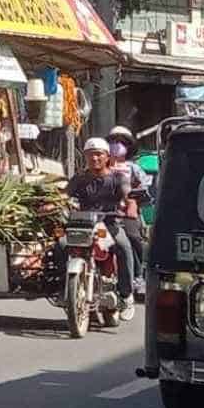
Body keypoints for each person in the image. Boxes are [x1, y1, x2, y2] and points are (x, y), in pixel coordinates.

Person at [65, 138, 136, 315]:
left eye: (98, 154)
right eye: (90, 154)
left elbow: (129, 196)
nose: (94, 158)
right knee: (60, 246)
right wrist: (50, 203)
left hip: (105, 228)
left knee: (123, 248)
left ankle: (126, 295)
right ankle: (62, 289)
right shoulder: (79, 179)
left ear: (107, 157)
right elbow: (63, 195)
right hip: (83, 227)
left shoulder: (118, 178)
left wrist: (131, 206)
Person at [107, 125, 148, 295]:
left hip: (127, 213)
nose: (117, 145)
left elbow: (145, 189)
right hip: (104, 212)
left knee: (133, 237)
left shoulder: (134, 168)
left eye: (122, 142)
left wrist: (133, 203)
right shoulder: (102, 165)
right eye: (114, 141)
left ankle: (138, 276)